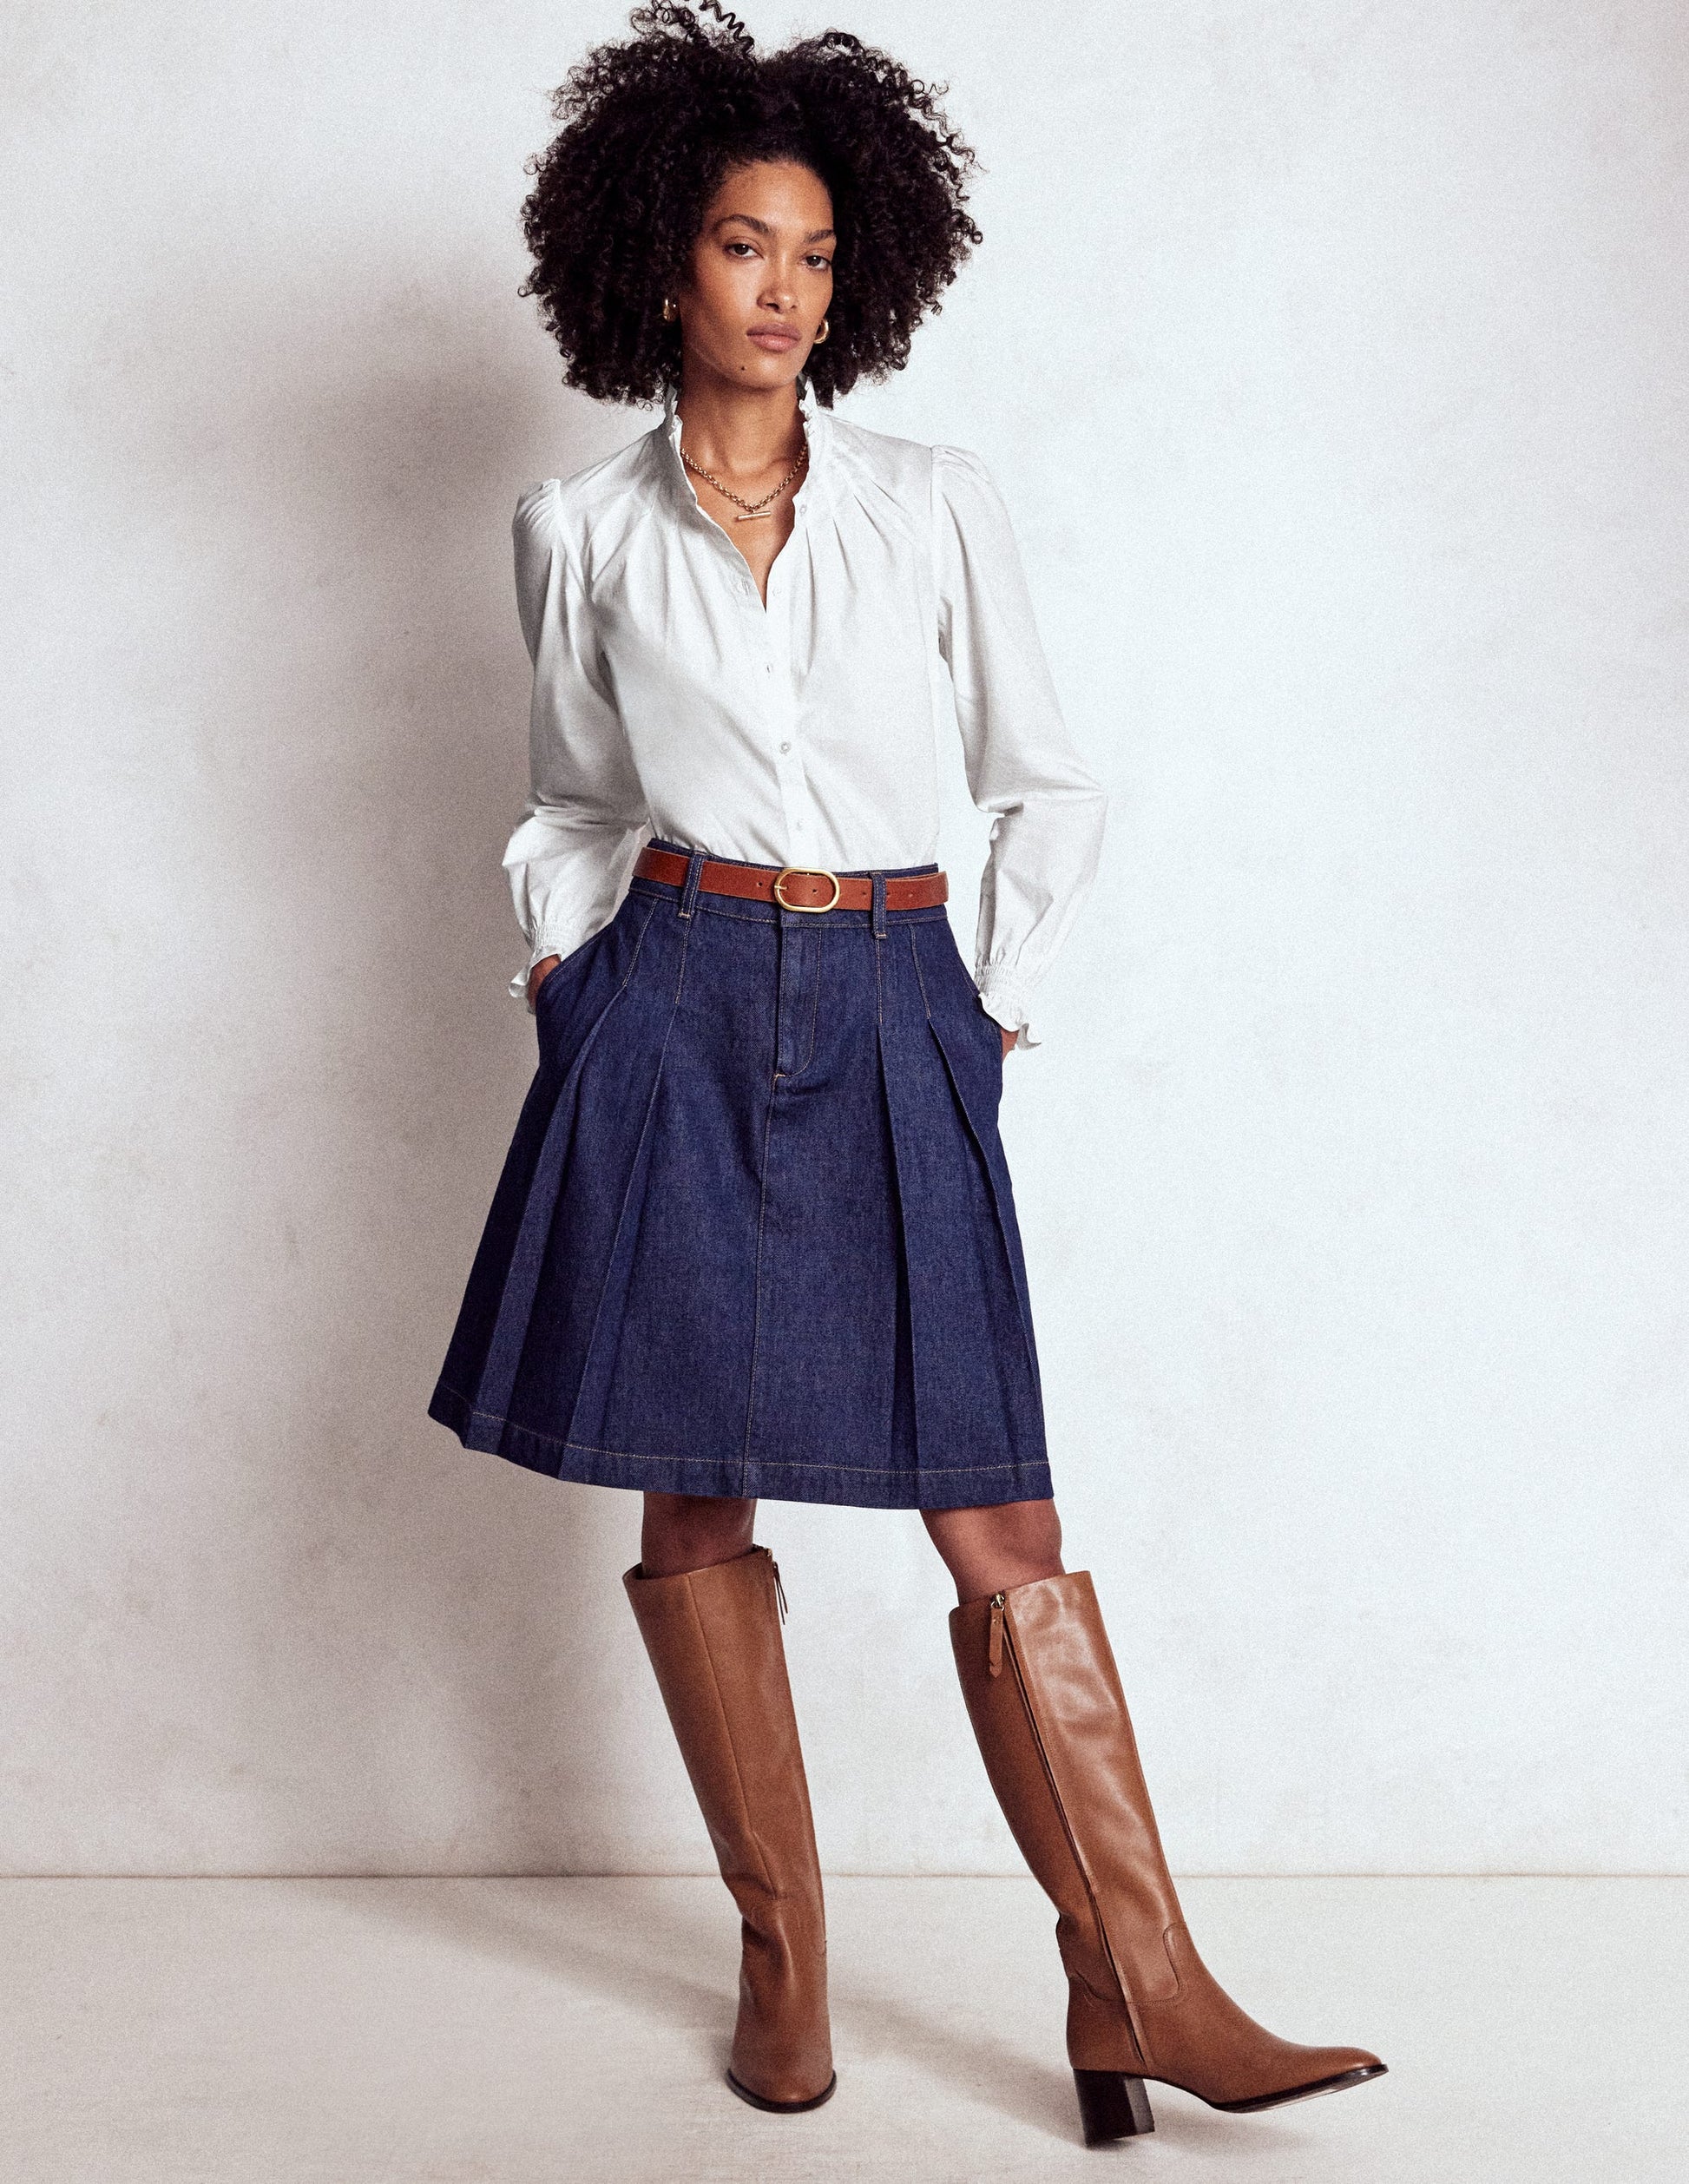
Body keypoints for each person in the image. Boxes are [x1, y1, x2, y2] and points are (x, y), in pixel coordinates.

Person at [428, 0, 1385, 2147]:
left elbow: (1045, 779)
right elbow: (572, 795)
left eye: (817, 254)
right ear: (659, 262)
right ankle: (782, 1964)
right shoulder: (576, 531)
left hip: (890, 994)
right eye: (744, 246)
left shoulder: (933, 506)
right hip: (673, 997)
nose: (783, 291)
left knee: (995, 1500)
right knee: (698, 1483)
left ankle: (1137, 1976)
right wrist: (574, 975)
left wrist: (982, 999)